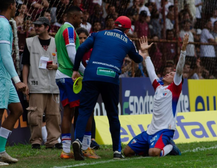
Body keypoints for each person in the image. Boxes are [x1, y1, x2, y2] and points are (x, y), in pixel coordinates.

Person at [72, 16, 143, 160]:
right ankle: (117, 150)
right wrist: (143, 52)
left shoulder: (99, 34)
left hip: (91, 74)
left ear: (114, 25)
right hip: (111, 77)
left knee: (84, 110)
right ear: (128, 30)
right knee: (112, 114)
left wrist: (75, 69)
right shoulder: (128, 42)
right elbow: (137, 59)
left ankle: (78, 140)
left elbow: (80, 49)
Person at [123, 34, 189, 157]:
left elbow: (179, 69)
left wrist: (183, 50)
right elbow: (151, 71)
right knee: (127, 152)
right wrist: (146, 53)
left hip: (165, 130)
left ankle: (170, 147)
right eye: (168, 72)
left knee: (154, 153)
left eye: (171, 74)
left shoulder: (175, 88)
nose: (168, 73)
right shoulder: (158, 86)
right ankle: (151, 145)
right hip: (151, 130)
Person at [55, 6, 99, 159]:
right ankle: (86, 147)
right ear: (73, 16)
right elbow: (73, 54)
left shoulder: (60, 31)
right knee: (86, 110)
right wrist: (85, 72)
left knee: (68, 112)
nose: (82, 20)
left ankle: (66, 150)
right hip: (71, 76)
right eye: (80, 17)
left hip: (61, 74)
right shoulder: (69, 30)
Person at [22, 17, 61, 150]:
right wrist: (25, 83)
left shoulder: (57, 42)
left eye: (39, 26)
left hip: (53, 85)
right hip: (36, 83)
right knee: (35, 115)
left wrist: (56, 66)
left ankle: (53, 140)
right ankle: (36, 141)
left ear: (47, 27)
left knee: (54, 115)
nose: (36, 28)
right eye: (35, 26)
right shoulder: (29, 42)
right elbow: (25, 65)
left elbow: (63, 62)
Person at [0, 0, 27, 166]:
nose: (16, 7)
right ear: (11, 5)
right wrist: (17, 80)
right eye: (15, 4)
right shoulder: (3, 24)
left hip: (5, 76)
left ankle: (1, 150)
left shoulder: (4, 23)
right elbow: (4, 55)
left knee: (17, 110)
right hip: (2, 75)